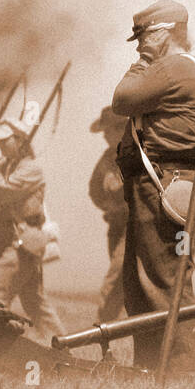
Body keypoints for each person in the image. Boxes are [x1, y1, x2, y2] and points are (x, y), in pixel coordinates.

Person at [111, 0, 195, 373]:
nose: (139, 46)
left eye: (145, 36)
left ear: (165, 31)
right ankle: (155, 366)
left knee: (162, 280)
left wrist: (141, 66)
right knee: (144, 281)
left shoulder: (170, 67)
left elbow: (121, 100)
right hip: (161, 183)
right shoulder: (188, 67)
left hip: (159, 184)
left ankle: (184, 371)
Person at [0, 117, 65, 341]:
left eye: (4, 141)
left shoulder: (31, 168)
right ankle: (63, 345)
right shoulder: (10, 166)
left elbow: (4, 192)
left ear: (19, 141)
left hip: (24, 241)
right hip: (18, 240)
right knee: (36, 303)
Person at [89, 106, 130, 325]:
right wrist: (109, 207)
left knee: (114, 279)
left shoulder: (139, 153)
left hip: (137, 228)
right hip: (116, 227)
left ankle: (101, 326)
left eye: (108, 131)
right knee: (122, 280)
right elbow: (94, 189)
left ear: (121, 129)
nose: (105, 136)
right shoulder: (107, 158)